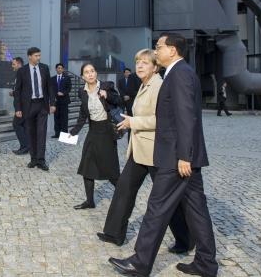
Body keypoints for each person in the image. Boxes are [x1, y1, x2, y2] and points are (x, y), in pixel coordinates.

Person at [109, 33, 218, 277]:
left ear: (172, 50)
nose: (155, 51)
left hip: (176, 157)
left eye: (158, 47)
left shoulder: (179, 74)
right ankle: (206, 263)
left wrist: (184, 156)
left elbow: (185, 117)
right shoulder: (179, 72)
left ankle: (140, 263)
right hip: (182, 156)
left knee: (156, 208)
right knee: (197, 210)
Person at [98, 49, 193, 254]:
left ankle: (185, 239)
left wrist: (133, 122)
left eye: (145, 62)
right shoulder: (144, 84)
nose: (140, 66)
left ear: (155, 67)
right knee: (124, 189)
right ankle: (114, 233)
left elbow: (163, 120)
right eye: (138, 62)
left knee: (166, 199)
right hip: (139, 150)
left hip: (156, 152)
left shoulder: (159, 86)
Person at [69, 63, 122, 209]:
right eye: (87, 72)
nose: (90, 74)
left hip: (107, 131)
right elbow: (83, 113)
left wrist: (108, 95)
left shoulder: (106, 86)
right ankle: (90, 201)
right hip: (93, 131)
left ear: (96, 73)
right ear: (83, 76)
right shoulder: (82, 92)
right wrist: (74, 131)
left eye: (92, 71)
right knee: (87, 166)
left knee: (111, 169)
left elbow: (119, 101)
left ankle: (124, 196)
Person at [13, 47, 56, 171]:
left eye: (39, 55)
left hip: (42, 105)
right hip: (28, 106)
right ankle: (33, 159)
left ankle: (41, 160)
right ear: (29, 56)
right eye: (36, 56)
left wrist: (52, 103)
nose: (39, 58)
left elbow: (50, 87)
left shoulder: (44, 68)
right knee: (30, 133)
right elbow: (17, 91)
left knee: (41, 133)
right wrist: (18, 108)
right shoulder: (22, 71)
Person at [10, 57, 29, 155]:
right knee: (24, 126)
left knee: (16, 124)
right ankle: (25, 146)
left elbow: (24, 91)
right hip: (24, 105)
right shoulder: (23, 73)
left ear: (19, 64)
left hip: (22, 106)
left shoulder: (22, 73)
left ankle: (25, 146)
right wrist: (14, 92)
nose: (12, 66)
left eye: (13, 64)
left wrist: (18, 108)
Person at [50, 63, 72, 138]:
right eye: (58, 68)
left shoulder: (67, 78)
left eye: (61, 68)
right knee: (56, 118)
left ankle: (64, 134)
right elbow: (51, 89)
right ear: (56, 69)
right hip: (56, 101)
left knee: (64, 118)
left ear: (63, 69)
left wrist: (63, 93)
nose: (59, 69)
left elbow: (69, 88)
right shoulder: (52, 79)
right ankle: (57, 134)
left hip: (64, 101)